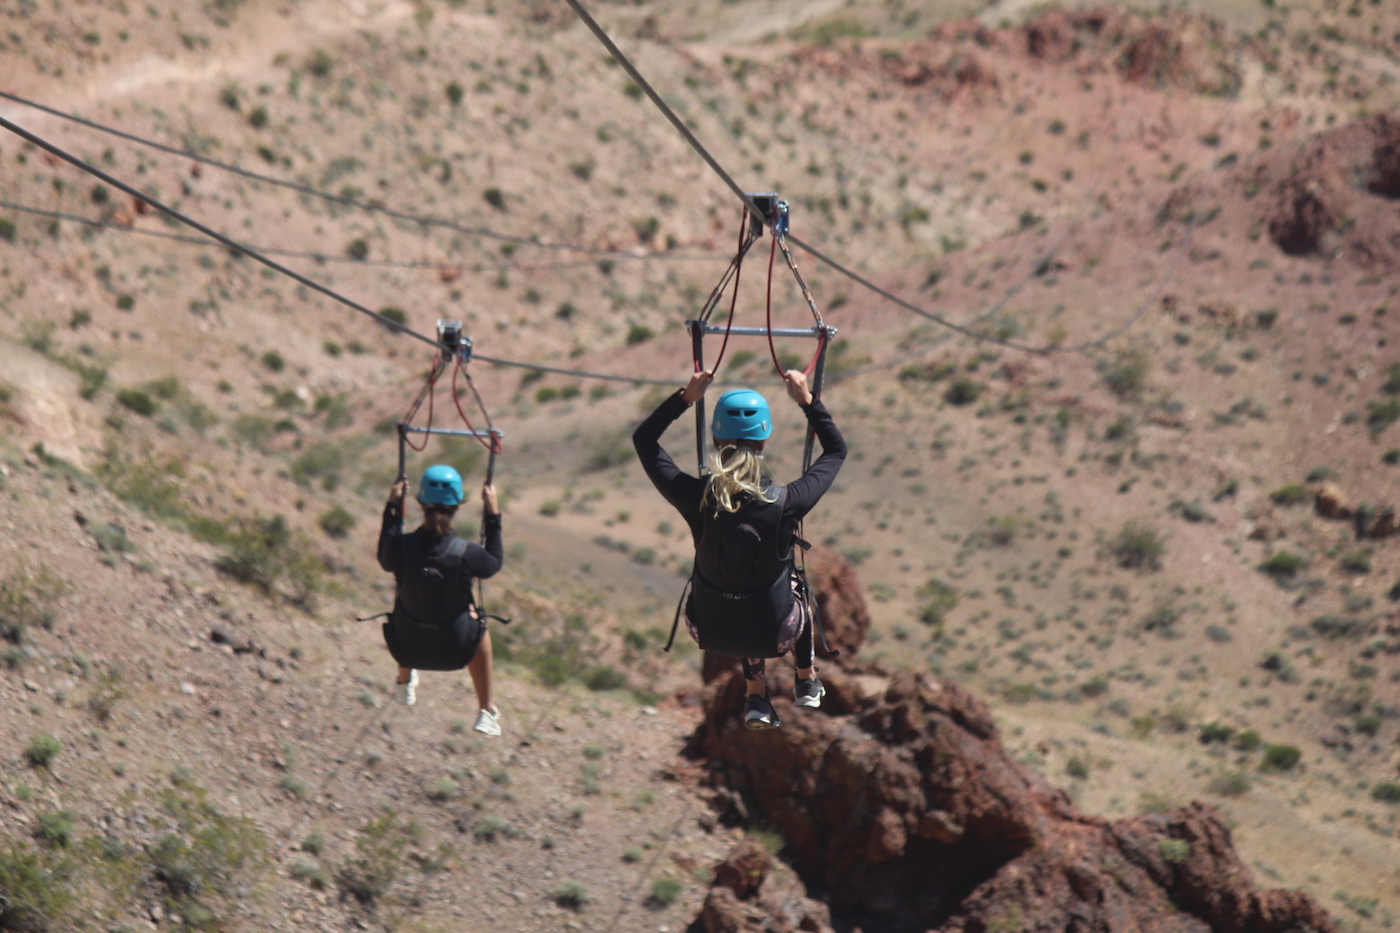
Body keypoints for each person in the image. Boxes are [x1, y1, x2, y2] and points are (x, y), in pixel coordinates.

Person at [633, 368, 846, 730]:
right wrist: (807, 401)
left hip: (709, 626)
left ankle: (755, 696)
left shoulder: (696, 498)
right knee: (795, 584)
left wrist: (686, 398)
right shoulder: (786, 502)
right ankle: (807, 676)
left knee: (744, 590)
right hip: (778, 631)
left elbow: (644, 440)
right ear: (764, 441)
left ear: (716, 437)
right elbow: (836, 450)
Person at [377, 464, 503, 735]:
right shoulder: (467, 554)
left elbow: (385, 555)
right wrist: (492, 513)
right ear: (457, 504)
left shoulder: (400, 548)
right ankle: (486, 709)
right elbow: (493, 563)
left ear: (421, 502)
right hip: (456, 648)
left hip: (407, 645)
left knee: (408, 601)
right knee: (478, 620)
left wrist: (392, 506)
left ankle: (404, 680)